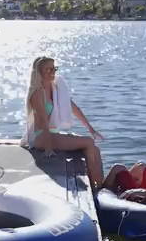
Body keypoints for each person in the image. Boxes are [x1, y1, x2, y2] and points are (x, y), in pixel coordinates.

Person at [22, 56, 105, 186]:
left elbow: (74, 109)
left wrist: (91, 129)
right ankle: (97, 186)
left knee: (94, 148)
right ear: (38, 72)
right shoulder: (37, 94)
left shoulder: (56, 89)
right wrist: (48, 148)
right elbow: (42, 120)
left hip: (54, 134)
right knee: (88, 142)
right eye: (48, 70)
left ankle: (100, 185)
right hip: (42, 137)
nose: (53, 72)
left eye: (54, 69)